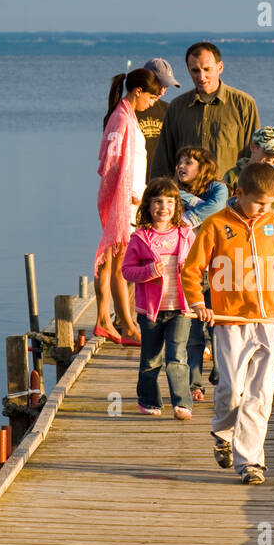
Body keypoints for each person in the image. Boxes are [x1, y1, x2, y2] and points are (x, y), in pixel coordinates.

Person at [182, 162, 274, 485]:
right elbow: (191, 270)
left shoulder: (273, 223)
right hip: (230, 320)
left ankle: (251, 462)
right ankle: (223, 430)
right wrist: (198, 304)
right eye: (259, 202)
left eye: (270, 203)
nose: (265, 209)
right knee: (232, 389)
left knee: (261, 394)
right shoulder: (216, 225)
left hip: (268, 320)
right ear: (240, 193)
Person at [95, 66, 163, 345]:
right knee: (120, 261)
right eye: (151, 97)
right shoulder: (123, 119)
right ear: (138, 91)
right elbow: (111, 162)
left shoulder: (122, 116)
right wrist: (126, 194)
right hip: (124, 200)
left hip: (125, 197)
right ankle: (128, 326)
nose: (152, 103)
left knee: (111, 259)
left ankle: (105, 319)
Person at [122, 177, 195, 419]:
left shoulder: (186, 235)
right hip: (150, 311)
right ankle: (149, 401)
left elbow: (198, 266)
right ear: (147, 206)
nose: (164, 207)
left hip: (181, 308)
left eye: (170, 202)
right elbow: (127, 270)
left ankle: (182, 403)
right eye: (157, 202)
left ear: (177, 206)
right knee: (151, 360)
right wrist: (150, 271)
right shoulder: (140, 238)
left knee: (177, 357)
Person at [153, 42, 259, 180]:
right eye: (195, 71)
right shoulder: (176, 107)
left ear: (220, 67)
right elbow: (163, 160)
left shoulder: (244, 105)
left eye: (207, 69)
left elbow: (254, 157)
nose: (201, 77)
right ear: (188, 70)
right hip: (185, 197)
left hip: (228, 197)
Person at [173, 146, 228, 402]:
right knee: (193, 330)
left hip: (216, 265)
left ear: (203, 166)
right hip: (187, 269)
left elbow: (218, 208)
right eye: (180, 162)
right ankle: (195, 383)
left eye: (188, 162)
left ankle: (220, 373)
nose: (181, 166)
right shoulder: (172, 190)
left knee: (217, 325)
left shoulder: (218, 188)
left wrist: (188, 216)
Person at [223, 126, 274, 230]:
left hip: (266, 235)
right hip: (237, 232)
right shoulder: (232, 176)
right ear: (253, 147)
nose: (271, 159)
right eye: (267, 153)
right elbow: (223, 208)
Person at [136, 58, 180, 183]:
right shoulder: (127, 111)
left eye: (166, 86)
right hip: (135, 184)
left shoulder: (169, 110)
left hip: (163, 184)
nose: (162, 91)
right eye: (159, 85)